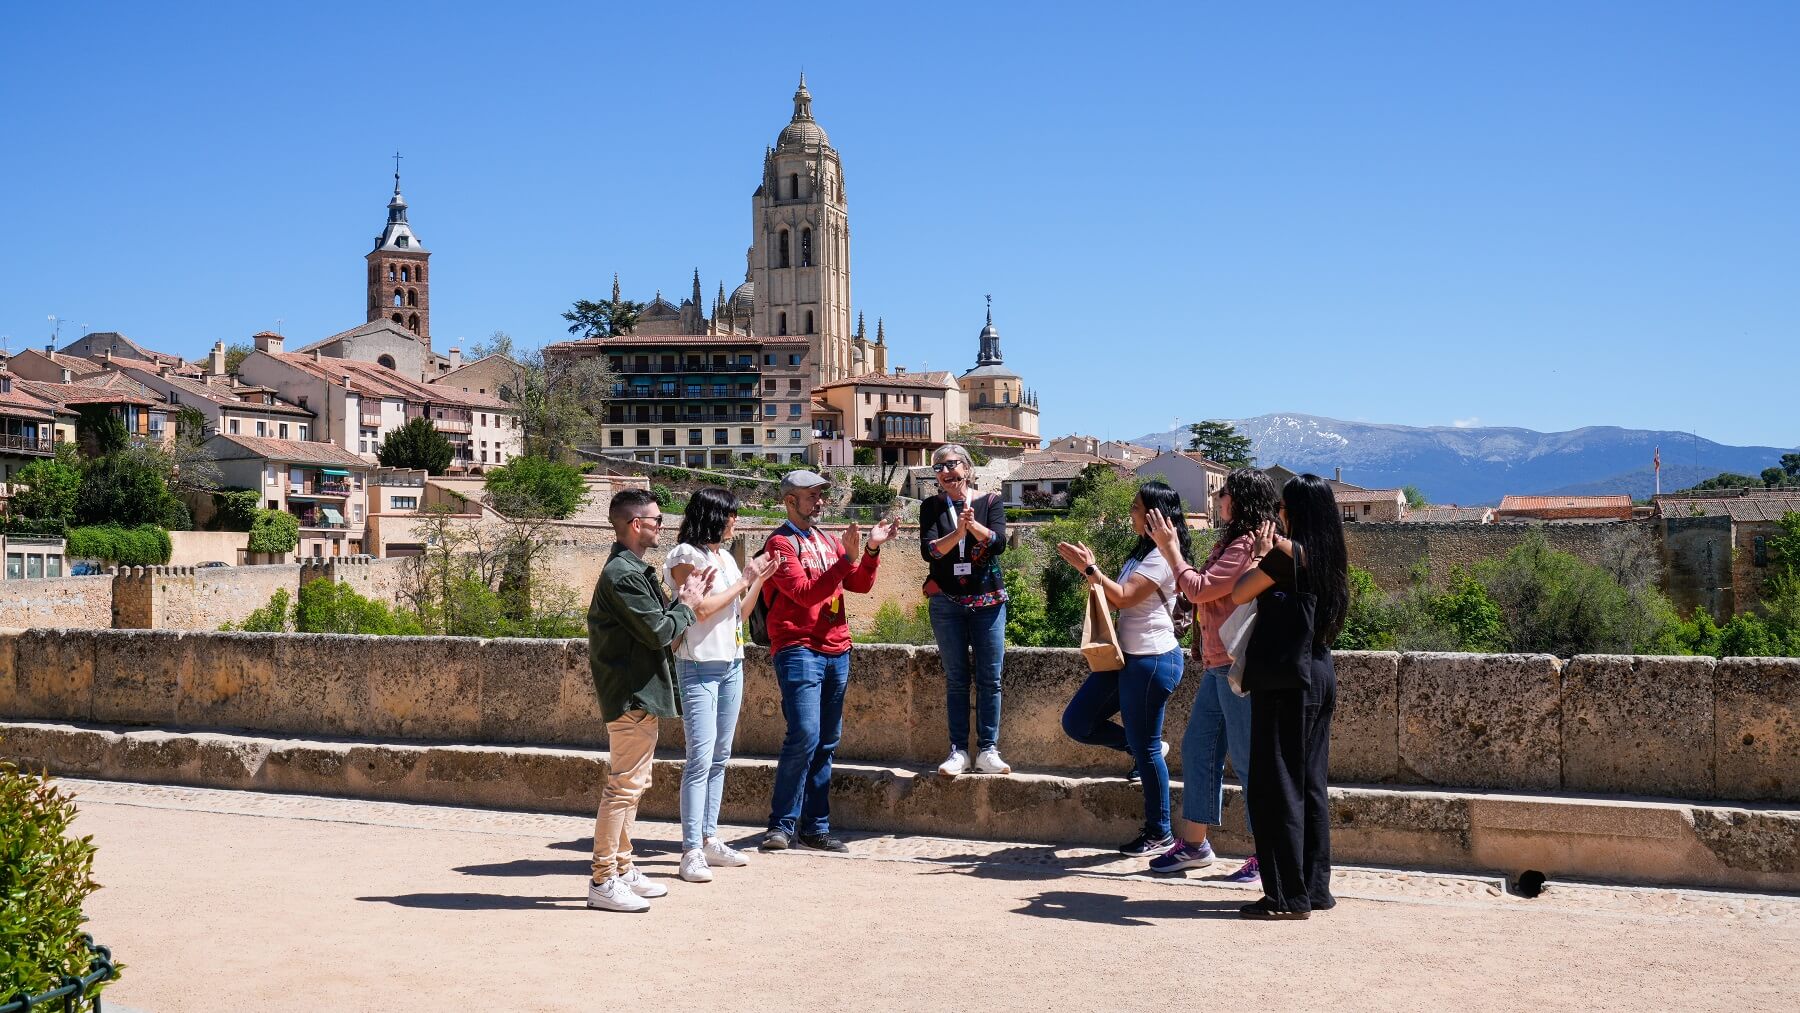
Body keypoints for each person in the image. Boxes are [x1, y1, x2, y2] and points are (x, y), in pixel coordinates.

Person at [1145, 468, 1281, 882]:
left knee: (1248, 759)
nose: (1218, 499)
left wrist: (1170, 549)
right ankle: (1194, 844)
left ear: (1238, 501)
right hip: (1218, 664)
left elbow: (1200, 589)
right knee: (1199, 748)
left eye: (1224, 494)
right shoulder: (1235, 542)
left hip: (1235, 665)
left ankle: (1269, 854)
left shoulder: (1245, 544)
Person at [759, 469, 899, 853]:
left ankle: (814, 828)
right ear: (790, 501)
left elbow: (859, 584)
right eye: (813, 495)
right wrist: (846, 560)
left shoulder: (826, 539)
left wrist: (871, 551)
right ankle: (781, 826)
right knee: (804, 733)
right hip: (798, 647)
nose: (820, 501)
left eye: (822, 494)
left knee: (826, 741)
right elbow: (803, 593)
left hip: (837, 648)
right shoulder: (780, 544)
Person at [1228, 473, 1348, 920]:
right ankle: (1314, 889)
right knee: (1311, 786)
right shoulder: (1330, 556)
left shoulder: (1286, 556)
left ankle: (1285, 896)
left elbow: (1240, 592)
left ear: (1293, 512)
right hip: (1319, 671)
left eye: (1282, 507)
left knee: (1275, 785)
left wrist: (1260, 554)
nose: (1278, 514)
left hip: (1285, 679)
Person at [586, 487, 710, 913]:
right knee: (622, 788)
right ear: (636, 524)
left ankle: (622, 867)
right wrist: (687, 604)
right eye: (657, 520)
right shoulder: (623, 574)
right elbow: (659, 631)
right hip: (631, 695)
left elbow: (660, 628)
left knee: (633, 786)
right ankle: (603, 879)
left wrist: (683, 602)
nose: (662, 525)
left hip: (640, 693)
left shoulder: (632, 570)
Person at [1057, 481, 1191, 856]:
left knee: (1147, 750)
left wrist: (1090, 569)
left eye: (1135, 508)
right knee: (1078, 722)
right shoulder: (1142, 552)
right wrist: (1091, 572)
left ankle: (1160, 833)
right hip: (1127, 659)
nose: (1130, 513)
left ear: (1153, 516)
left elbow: (1124, 598)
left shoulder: (1162, 557)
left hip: (1152, 661)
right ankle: (1141, 747)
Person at [663, 487, 778, 884]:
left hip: (731, 663)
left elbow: (738, 613)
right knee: (699, 757)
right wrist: (743, 581)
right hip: (698, 665)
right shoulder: (685, 556)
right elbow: (699, 610)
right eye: (730, 514)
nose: (735, 521)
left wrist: (756, 581)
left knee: (720, 756)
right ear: (712, 515)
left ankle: (709, 838)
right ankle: (690, 850)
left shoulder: (724, 558)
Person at [918, 444, 1011, 776]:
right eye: (938, 468)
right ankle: (958, 751)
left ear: (968, 469)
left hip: (987, 602)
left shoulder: (990, 502)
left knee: (990, 679)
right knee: (956, 678)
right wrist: (957, 532)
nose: (945, 472)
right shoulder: (932, 506)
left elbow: (999, 543)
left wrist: (973, 528)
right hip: (947, 603)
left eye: (951, 465)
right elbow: (930, 552)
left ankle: (988, 750)